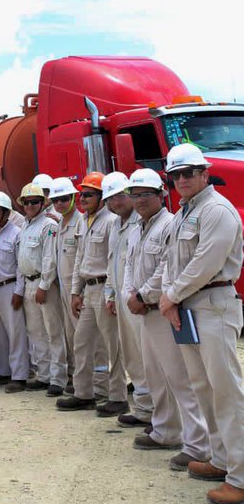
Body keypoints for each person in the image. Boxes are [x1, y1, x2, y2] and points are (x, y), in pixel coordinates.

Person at [160, 144, 244, 504]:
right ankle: (221, 459)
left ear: (205, 173)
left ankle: (241, 476)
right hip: (189, 307)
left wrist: (171, 295)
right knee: (203, 387)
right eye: (176, 175)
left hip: (214, 304)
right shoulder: (183, 213)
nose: (182, 180)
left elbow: (206, 262)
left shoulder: (217, 210)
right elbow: (171, 260)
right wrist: (170, 297)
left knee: (226, 390)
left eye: (189, 172)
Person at [122, 168, 211, 469]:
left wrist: (143, 296)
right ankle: (166, 430)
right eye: (135, 194)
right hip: (144, 312)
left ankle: (198, 443)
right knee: (155, 376)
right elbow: (128, 266)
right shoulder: (137, 228)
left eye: (146, 194)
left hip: (164, 310)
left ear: (161, 195)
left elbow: (165, 269)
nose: (140, 200)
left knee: (180, 379)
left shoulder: (169, 225)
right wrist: (128, 296)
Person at [56, 173, 127, 414]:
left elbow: (113, 261)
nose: (82, 199)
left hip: (105, 288)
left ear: (102, 197)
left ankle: (117, 396)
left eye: (88, 194)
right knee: (81, 342)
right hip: (88, 290)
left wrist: (111, 294)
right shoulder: (84, 222)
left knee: (112, 345)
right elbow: (79, 259)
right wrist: (76, 291)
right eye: (81, 194)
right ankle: (84, 393)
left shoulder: (110, 222)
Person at [103, 172, 152, 423]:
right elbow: (112, 262)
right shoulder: (114, 224)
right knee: (132, 356)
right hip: (122, 300)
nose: (116, 202)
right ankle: (144, 410)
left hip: (140, 301)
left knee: (148, 356)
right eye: (110, 198)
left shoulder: (141, 222)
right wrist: (110, 293)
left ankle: (159, 413)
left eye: (121, 195)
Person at [16, 182, 66, 395]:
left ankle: (59, 378)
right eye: (26, 202)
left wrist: (44, 285)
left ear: (42, 203)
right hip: (29, 283)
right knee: (35, 332)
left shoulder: (49, 225)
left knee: (53, 331)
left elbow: (49, 258)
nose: (30, 205)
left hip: (43, 285)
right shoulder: (25, 226)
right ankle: (44, 374)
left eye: (34, 202)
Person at [0, 192, 30, 393]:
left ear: (6, 212)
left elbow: (21, 266)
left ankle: (19, 375)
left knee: (15, 333)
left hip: (10, 287)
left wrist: (19, 291)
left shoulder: (16, 234)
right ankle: (3, 371)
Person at [50, 177, 81, 392]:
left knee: (84, 337)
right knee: (70, 336)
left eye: (64, 199)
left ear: (73, 198)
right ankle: (77, 377)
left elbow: (82, 259)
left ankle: (92, 382)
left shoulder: (80, 222)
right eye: (56, 200)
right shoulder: (60, 224)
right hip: (63, 287)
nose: (60, 203)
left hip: (76, 289)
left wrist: (78, 291)